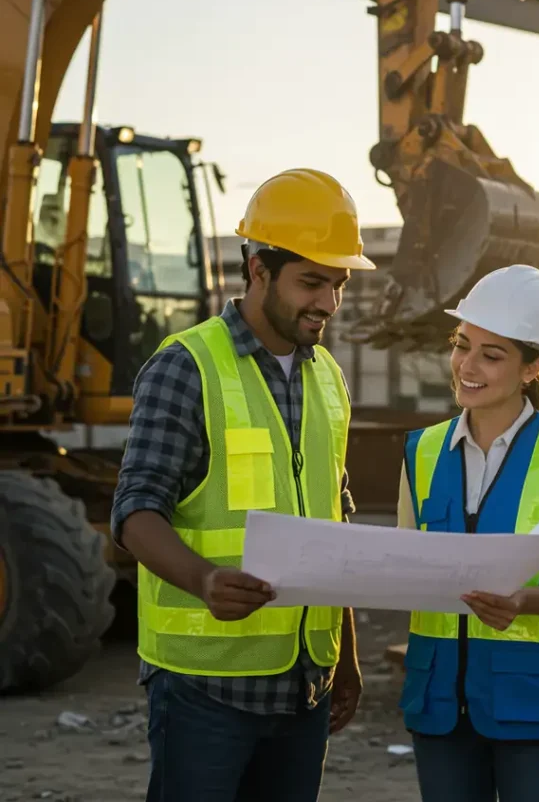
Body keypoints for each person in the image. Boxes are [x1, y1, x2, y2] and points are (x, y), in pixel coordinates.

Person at [111, 168, 375, 802]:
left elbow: (332, 522)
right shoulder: (185, 365)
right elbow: (134, 510)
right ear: (258, 268)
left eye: (337, 285)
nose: (328, 304)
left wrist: (348, 656)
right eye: (311, 282)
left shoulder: (329, 380)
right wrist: (203, 580)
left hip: (303, 684)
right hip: (207, 689)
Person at [396, 264, 539, 802]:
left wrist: (525, 600)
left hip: (537, 703)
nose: (467, 366)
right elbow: (401, 563)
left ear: (533, 365)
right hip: (441, 705)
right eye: (462, 345)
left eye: (491, 355)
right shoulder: (420, 451)